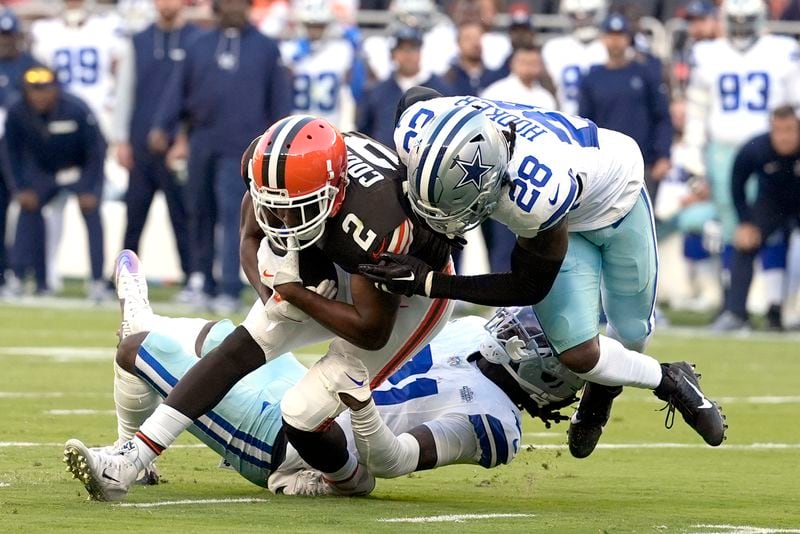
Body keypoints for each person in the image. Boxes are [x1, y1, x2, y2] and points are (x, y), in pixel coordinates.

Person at [60, 116, 453, 502]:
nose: (282, 220)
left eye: (295, 209)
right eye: (275, 207)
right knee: (238, 347)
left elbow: (371, 329)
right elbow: (249, 237)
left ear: (334, 193)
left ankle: (349, 480)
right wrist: (273, 297)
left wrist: (297, 294)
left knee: (305, 410)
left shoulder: (374, 221)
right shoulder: (269, 167)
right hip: (333, 255)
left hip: (404, 298)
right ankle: (131, 461)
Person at [359, 88, 728, 459]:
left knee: (631, 333)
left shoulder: (534, 194)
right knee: (579, 354)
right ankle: (653, 379)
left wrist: (431, 282)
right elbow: (417, 97)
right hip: (561, 192)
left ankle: (646, 384)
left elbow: (527, 285)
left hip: (616, 200)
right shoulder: (415, 129)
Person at [65, 254, 580, 499]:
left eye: (540, 339)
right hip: (303, 384)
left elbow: (393, 462)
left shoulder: (496, 425)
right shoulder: (470, 330)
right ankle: (133, 445)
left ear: (549, 374)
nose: (521, 329)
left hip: (294, 438)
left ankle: (126, 457)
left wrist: (362, 411)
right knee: (221, 339)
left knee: (135, 349)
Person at [148, 0, 293, 313]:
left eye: (240, 3)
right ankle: (201, 280)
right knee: (199, 211)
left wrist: (279, 143)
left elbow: (280, 99)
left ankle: (230, 284)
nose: (234, 8)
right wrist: (163, 125)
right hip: (203, 140)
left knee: (234, 216)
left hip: (243, 146)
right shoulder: (198, 45)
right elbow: (177, 91)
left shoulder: (266, 49)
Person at [682, 0, 800, 325]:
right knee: (734, 230)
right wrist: (694, 157)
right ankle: (732, 304)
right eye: (736, 20)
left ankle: (777, 307)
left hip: (773, 151)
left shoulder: (783, 49)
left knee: (770, 227)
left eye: (748, 21)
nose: (742, 28)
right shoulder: (708, 53)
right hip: (723, 150)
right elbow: (696, 109)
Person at [112, 0, 198, 298]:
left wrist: (185, 138)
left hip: (177, 145)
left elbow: (196, 93)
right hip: (141, 143)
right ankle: (124, 281)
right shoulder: (139, 39)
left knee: (183, 215)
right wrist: (121, 138)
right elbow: (125, 90)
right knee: (134, 214)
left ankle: (193, 277)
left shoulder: (196, 39)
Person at [4, 66, 107, 300]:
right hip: (43, 173)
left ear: (56, 89)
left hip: (77, 170)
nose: (40, 95)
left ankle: (97, 280)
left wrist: (93, 188)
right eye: (33, 89)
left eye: (45, 89)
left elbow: (96, 150)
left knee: (92, 212)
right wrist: (20, 188)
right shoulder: (18, 111)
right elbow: (10, 153)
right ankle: (27, 278)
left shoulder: (77, 108)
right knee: (28, 208)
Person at [716, 106, 800, 330]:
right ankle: (736, 314)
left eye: (790, 130)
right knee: (745, 242)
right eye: (778, 130)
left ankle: (779, 314)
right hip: (771, 204)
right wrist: (744, 221)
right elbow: (737, 183)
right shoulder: (756, 148)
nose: (784, 137)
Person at [578, 13, 673, 201]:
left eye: (620, 35)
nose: (615, 41)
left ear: (628, 39)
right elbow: (584, 122)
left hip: (642, 162)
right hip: (604, 166)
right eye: (611, 35)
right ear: (603, 39)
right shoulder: (592, 78)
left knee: (641, 223)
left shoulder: (645, 73)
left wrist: (663, 154)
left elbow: (662, 116)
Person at [357, 24, 451, 147]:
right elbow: (364, 131)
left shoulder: (440, 89)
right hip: (385, 161)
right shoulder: (378, 91)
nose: (407, 55)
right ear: (393, 53)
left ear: (420, 51)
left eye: (412, 48)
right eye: (402, 49)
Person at [0, 8, 37, 295]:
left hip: (23, 151)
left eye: (8, 35)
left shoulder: (31, 67)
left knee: (29, 211)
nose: (4, 41)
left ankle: (27, 272)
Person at [280, 0, 355, 129]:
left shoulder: (341, 50)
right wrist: (291, 62)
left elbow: (351, 89)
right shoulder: (288, 50)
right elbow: (280, 86)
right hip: (296, 122)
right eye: (310, 26)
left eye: (320, 26)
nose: (315, 31)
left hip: (330, 122)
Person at [541, 0, 608, 114]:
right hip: (566, 117)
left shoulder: (607, 46)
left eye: (589, 15)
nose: (582, 21)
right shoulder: (554, 48)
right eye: (574, 16)